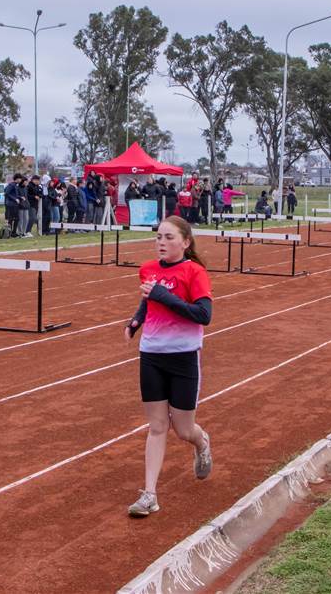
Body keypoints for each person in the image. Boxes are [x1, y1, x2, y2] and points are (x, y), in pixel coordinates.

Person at [124, 215, 214, 517]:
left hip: (183, 356)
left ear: (185, 243)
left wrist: (165, 296)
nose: (161, 242)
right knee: (157, 426)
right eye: (158, 237)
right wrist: (136, 320)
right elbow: (150, 302)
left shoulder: (195, 272)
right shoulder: (147, 270)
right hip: (151, 355)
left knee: (183, 429)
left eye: (168, 237)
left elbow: (203, 315)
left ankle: (201, 443)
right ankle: (149, 494)